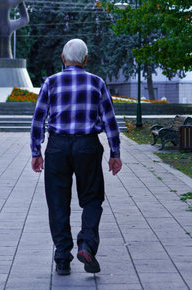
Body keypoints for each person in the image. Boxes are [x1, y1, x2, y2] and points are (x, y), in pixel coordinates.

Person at [30, 39, 122, 276]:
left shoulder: (51, 82)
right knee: (92, 199)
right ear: (85, 59)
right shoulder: (96, 83)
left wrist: (36, 152)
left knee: (57, 202)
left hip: (58, 147)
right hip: (87, 146)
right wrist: (115, 153)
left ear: (63, 58)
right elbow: (110, 121)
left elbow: (38, 120)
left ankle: (62, 258)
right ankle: (86, 244)